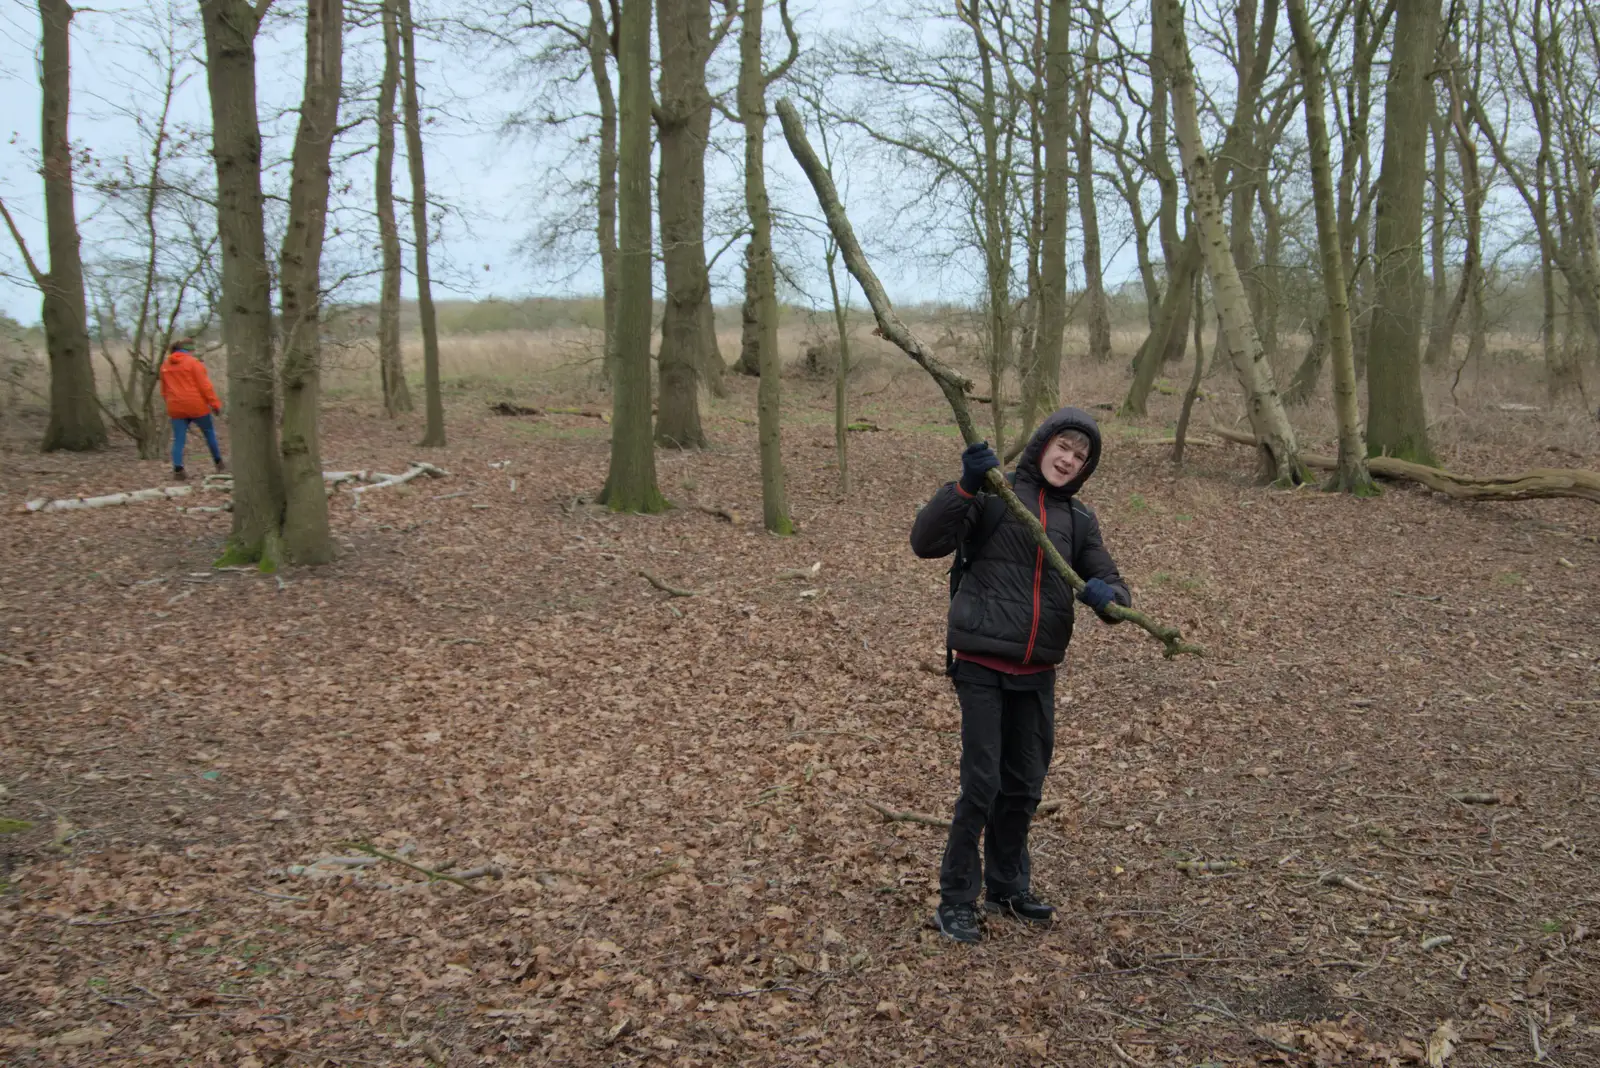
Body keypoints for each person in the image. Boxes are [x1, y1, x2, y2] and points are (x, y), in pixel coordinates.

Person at [910, 407, 1132, 944]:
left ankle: (1007, 886)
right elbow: (925, 541)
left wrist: (1111, 599)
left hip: (1038, 670)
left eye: (1081, 457)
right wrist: (964, 485)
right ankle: (956, 899)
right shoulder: (995, 492)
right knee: (982, 784)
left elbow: (1110, 581)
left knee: (1024, 785)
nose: (1069, 460)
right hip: (983, 663)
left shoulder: (1078, 521)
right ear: (1042, 445)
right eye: (1063, 447)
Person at [159, 340, 224, 480]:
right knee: (209, 433)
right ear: (189, 350)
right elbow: (205, 387)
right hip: (196, 405)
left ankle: (178, 469)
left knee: (178, 439)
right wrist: (215, 404)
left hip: (175, 407)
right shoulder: (194, 363)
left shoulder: (165, 365)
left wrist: (171, 403)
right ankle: (219, 463)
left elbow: (164, 391)